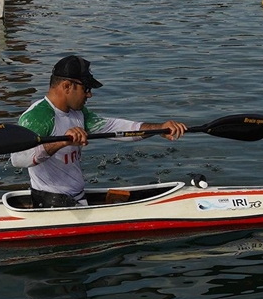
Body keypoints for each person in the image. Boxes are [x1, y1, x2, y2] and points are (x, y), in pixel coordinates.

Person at [10, 55, 187, 208]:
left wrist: (159, 129)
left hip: (76, 199)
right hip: (50, 204)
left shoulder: (78, 113)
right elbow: (18, 159)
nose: (89, 95)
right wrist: (62, 142)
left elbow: (115, 128)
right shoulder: (37, 116)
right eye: (86, 89)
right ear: (66, 86)